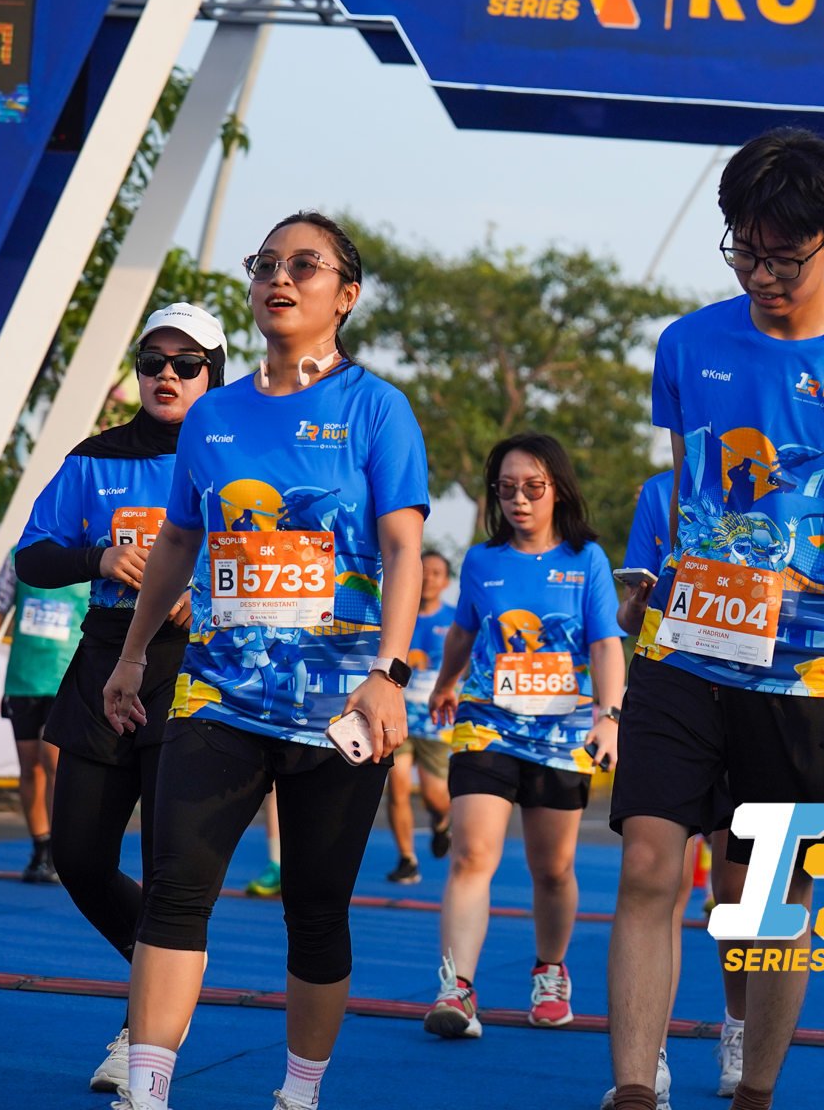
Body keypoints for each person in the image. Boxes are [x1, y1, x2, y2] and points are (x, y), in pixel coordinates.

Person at [102, 211, 429, 1110]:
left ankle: (298, 1094)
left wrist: (390, 675)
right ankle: (146, 1092)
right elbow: (178, 542)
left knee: (315, 909)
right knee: (175, 892)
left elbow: (404, 550)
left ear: (346, 296)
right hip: (218, 696)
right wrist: (132, 656)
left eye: (304, 265)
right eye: (266, 264)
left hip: (339, 709)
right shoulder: (212, 414)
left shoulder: (377, 408)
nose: (279, 278)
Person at [607, 128, 824, 1110]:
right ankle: (635, 1084)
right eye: (745, 250)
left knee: (767, 898)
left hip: (807, 678)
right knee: (650, 860)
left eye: (785, 255)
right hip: (686, 653)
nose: (763, 273)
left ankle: (753, 1088)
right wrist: (655, 592)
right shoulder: (687, 344)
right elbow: (687, 489)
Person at [8, 302, 223, 1090]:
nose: (167, 375)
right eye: (153, 362)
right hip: (105, 657)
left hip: (196, 667)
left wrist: (205, 598)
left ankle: (141, 1034)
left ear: (214, 373)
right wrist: (98, 559)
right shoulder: (93, 458)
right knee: (78, 855)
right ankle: (167, 967)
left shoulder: (239, 456)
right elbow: (32, 558)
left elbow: (279, 560)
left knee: (170, 867)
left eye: (186, 364)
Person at [423, 433, 625, 1036]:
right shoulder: (481, 561)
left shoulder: (586, 560)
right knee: (471, 855)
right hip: (487, 723)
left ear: (557, 490)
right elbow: (464, 631)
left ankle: (550, 970)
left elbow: (605, 644)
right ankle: (457, 990)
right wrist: (446, 683)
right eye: (506, 488)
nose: (519, 500)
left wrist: (609, 715)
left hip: (563, 734)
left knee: (553, 869)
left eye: (533, 487)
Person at [614, 467, 749, 1101]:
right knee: (654, 875)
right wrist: (637, 606)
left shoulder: (782, 485)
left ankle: (740, 1028)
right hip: (675, 686)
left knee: (737, 891)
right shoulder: (661, 490)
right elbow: (630, 611)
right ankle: (649, 1058)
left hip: (759, 693)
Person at [0, 555, 84, 882]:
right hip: (24, 679)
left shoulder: (88, 554)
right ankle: (40, 847)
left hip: (67, 678)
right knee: (29, 766)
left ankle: (60, 850)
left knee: (53, 759)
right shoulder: (20, 555)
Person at [385, 549, 457, 883]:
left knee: (434, 797)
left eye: (436, 573)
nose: (428, 578)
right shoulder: (397, 614)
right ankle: (407, 860)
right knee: (397, 787)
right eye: (423, 570)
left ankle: (442, 822)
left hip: (436, 719)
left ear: (446, 581)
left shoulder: (455, 620)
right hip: (397, 713)